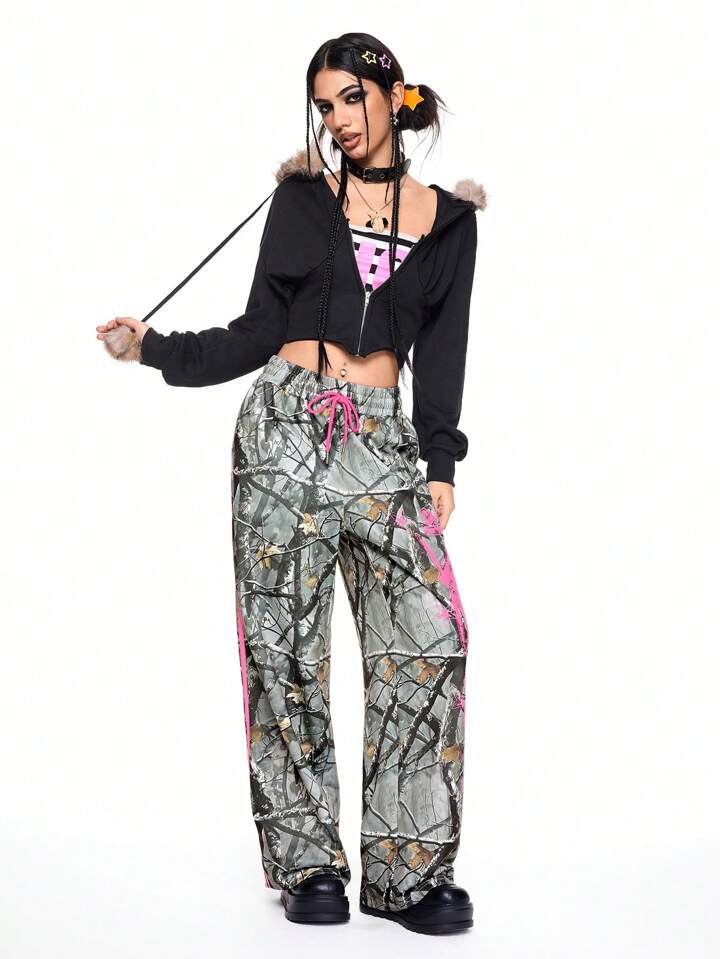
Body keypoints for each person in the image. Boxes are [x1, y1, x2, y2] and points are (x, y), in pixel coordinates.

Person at [96, 32, 486, 935]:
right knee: (285, 651)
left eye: (351, 97)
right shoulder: (303, 201)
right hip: (283, 431)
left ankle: (408, 872)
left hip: (382, 443)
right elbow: (255, 329)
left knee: (430, 639)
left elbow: (446, 354)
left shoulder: (452, 223)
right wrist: (153, 348)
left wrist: (439, 464)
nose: (337, 119)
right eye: (323, 105)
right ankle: (308, 862)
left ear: (394, 94)